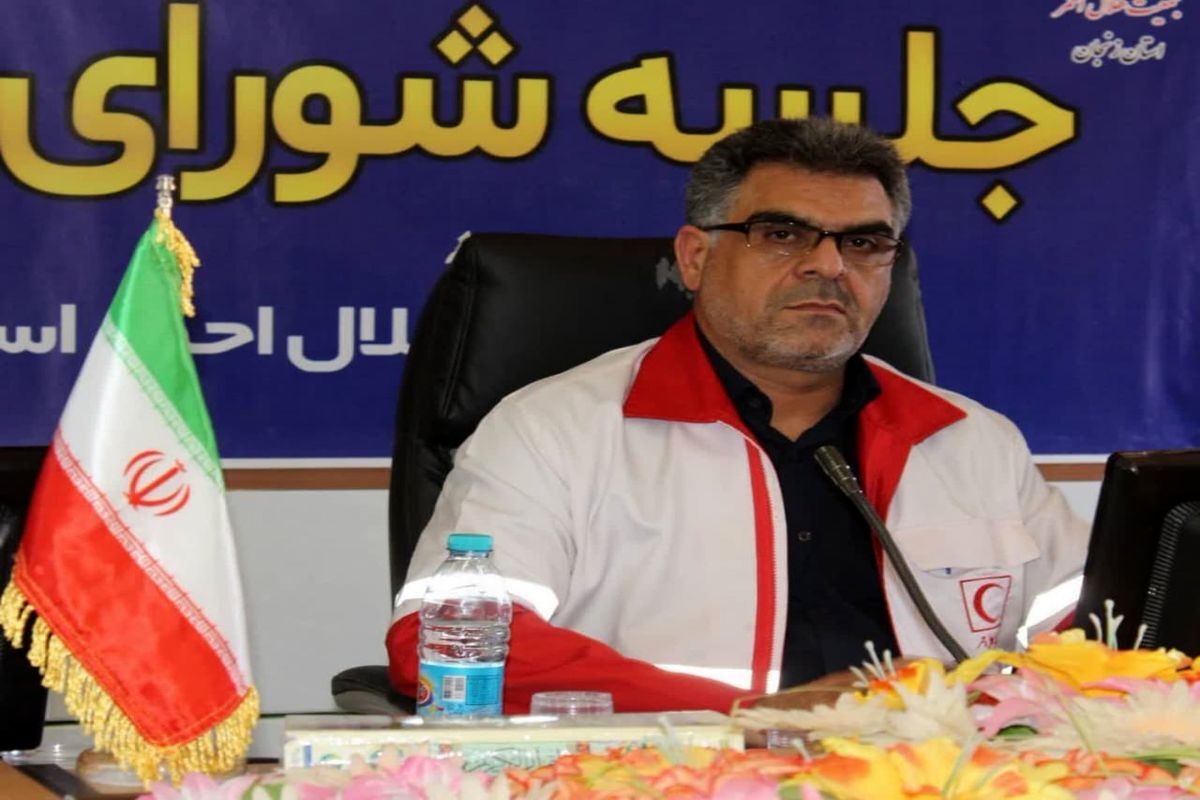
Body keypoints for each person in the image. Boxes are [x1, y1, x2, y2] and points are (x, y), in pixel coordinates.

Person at [386, 117, 1089, 714]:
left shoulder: (971, 442)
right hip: (660, 777)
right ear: (695, 258)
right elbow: (444, 643)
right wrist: (745, 719)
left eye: (863, 243)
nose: (829, 266)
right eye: (782, 234)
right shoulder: (552, 432)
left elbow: (1105, 642)